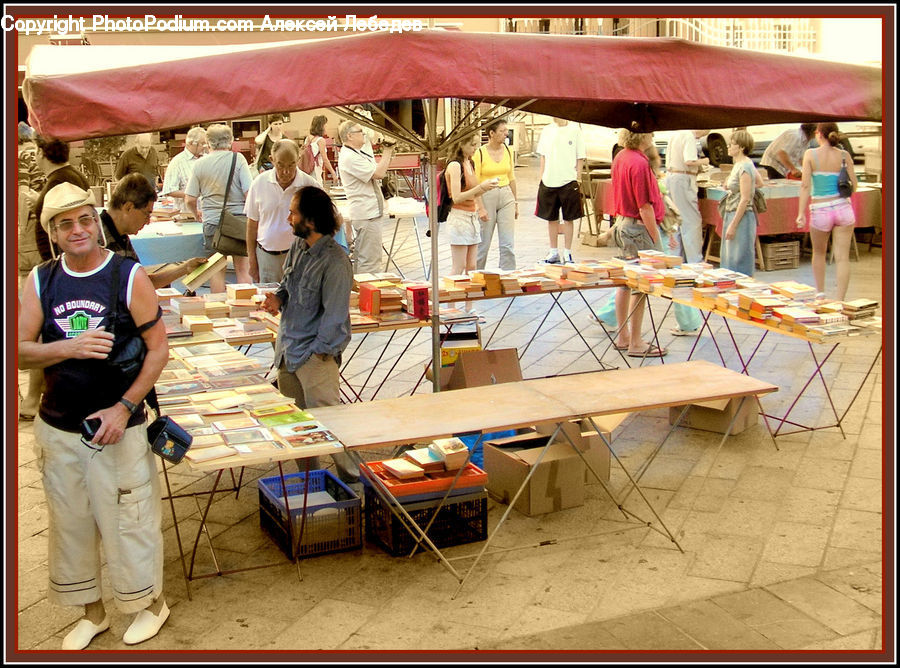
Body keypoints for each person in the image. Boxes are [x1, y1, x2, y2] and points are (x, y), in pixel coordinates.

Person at [18, 182, 169, 650]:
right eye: (66, 224)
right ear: (53, 233)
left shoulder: (127, 276)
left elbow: (158, 349)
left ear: (95, 222)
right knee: (71, 522)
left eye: (85, 219)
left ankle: (149, 605)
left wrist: (125, 409)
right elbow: (19, 351)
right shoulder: (41, 280)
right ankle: (92, 612)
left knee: (130, 517)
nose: (78, 229)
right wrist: (67, 347)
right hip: (59, 426)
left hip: (117, 426)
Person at [261, 186, 357, 483]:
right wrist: (278, 298)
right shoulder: (298, 248)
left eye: (293, 213)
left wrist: (318, 354)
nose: (288, 218)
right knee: (298, 425)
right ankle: (311, 482)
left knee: (332, 422)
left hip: (314, 355)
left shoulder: (336, 261)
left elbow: (335, 316)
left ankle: (355, 481)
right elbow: (289, 286)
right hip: (288, 348)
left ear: (311, 221)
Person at [609, 128, 667, 358]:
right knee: (640, 286)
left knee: (625, 283)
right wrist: (655, 237)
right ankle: (635, 341)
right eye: (650, 133)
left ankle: (624, 336)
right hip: (637, 227)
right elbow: (645, 206)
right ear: (642, 136)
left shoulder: (622, 156)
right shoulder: (639, 163)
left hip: (624, 223)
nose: (652, 137)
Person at [103, 174, 206, 287]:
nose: (147, 221)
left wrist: (185, 267)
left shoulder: (121, 236)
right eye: (147, 214)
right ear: (129, 207)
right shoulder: (97, 240)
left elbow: (140, 283)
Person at [184, 124, 254, 293]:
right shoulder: (238, 160)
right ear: (230, 141)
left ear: (208, 142)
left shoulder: (199, 164)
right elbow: (249, 193)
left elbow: (189, 199)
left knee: (216, 271)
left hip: (212, 222)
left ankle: (219, 313)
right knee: (243, 270)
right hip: (237, 222)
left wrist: (196, 214)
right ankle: (246, 310)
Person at [796, 122, 859, 301]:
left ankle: (821, 294)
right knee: (842, 258)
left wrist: (801, 213)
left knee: (819, 253)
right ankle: (840, 300)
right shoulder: (845, 155)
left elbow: (805, 185)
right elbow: (854, 185)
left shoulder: (810, 154)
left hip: (820, 209)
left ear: (819, 134)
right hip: (843, 208)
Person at [245, 139, 321, 283]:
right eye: (280, 165)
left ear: (298, 159)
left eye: (291, 165)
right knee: (269, 302)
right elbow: (252, 224)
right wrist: (252, 260)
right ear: (272, 160)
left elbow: (327, 221)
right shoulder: (259, 183)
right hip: (266, 257)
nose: (286, 171)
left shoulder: (309, 185)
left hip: (299, 257)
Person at [336, 119, 395, 274]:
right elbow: (378, 173)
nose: (364, 134)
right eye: (360, 132)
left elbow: (376, 168)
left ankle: (363, 292)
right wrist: (388, 151)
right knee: (370, 263)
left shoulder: (357, 152)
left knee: (366, 258)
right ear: (349, 136)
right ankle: (367, 295)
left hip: (369, 213)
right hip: (367, 214)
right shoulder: (350, 157)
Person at [17, 122, 46, 421]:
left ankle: (25, 398)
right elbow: (41, 196)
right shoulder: (28, 156)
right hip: (27, 258)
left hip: (22, 258)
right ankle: (29, 399)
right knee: (33, 331)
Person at [444, 135, 496, 296]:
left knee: (472, 266)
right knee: (458, 266)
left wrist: (481, 207)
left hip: (472, 216)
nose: (475, 148)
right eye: (473, 145)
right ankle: (445, 300)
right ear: (461, 144)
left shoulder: (470, 162)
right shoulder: (454, 165)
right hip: (459, 217)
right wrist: (481, 187)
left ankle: (469, 307)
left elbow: (475, 190)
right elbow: (457, 196)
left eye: (477, 145)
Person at [33, 136, 91, 262]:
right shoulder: (67, 176)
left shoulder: (60, 181)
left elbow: (68, 220)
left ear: (41, 152)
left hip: (61, 262)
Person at [536, 117, 585, 264]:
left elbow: (580, 157)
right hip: (549, 180)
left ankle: (568, 252)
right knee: (551, 218)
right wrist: (542, 177)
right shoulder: (547, 130)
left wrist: (578, 177)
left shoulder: (575, 130)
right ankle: (553, 251)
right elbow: (543, 156)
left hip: (568, 180)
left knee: (569, 218)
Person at [720, 130, 765, 277]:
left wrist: (733, 225)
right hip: (731, 211)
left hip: (740, 215)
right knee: (730, 257)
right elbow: (759, 182)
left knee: (738, 258)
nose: (728, 147)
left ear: (741, 147)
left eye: (732, 144)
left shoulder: (745, 166)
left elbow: (745, 199)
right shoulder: (741, 164)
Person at [474, 119, 518, 271]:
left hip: (506, 194)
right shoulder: (479, 153)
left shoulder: (508, 150)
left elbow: (512, 177)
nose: (506, 134)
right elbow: (475, 183)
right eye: (502, 131)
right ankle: (477, 275)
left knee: (507, 243)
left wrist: (515, 202)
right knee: (483, 242)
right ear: (491, 133)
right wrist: (480, 208)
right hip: (487, 195)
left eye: (506, 130)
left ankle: (509, 275)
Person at [665, 129, 710, 266]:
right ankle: (694, 261)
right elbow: (689, 160)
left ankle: (676, 259)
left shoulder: (676, 133)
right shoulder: (689, 136)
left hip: (672, 176)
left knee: (676, 220)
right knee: (691, 220)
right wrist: (705, 161)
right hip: (683, 178)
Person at [161, 126, 208, 213]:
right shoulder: (177, 162)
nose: (205, 147)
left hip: (207, 214)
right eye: (202, 143)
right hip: (186, 215)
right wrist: (192, 194)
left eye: (206, 143)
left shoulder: (207, 159)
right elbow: (169, 190)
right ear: (191, 143)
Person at [304, 115, 338, 185]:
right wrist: (333, 173)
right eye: (326, 125)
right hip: (316, 170)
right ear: (322, 126)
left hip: (306, 169)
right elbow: (325, 159)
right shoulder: (320, 140)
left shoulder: (308, 138)